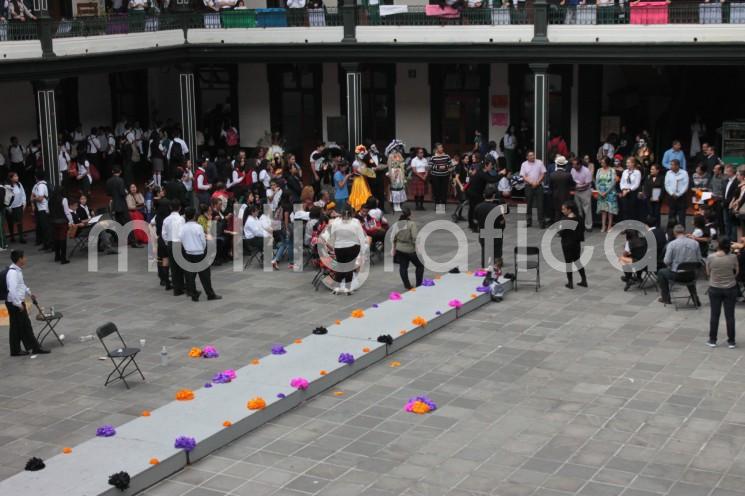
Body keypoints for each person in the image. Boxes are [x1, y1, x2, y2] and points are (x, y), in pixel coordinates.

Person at [5, 250, 49, 356]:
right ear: (19, 259)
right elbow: (12, 289)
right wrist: (18, 304)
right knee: (26, 326)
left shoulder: (17, 271)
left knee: (16, 327)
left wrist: (29, 293)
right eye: (24, 257)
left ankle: (15, 350)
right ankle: (35, 347)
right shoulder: (13, 273)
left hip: (15, 303)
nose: (25, 259)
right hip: (15, 304)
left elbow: (21, 285)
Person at [180, 207, 221, 302]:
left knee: (190, 275)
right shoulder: (198, 227)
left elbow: (181, 239)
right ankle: (210, 294)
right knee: (205, 276)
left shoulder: (183, 228)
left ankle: (193, 294)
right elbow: (203, 241)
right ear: (194, 216)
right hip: (199, 253)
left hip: (188, 253)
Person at [324, 206, 365, 295]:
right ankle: (348, 288)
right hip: (352, 247)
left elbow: (332, 236)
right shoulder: (356, 222)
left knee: (340, 267)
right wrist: (363, 250)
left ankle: (337, 288)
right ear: (351, 213)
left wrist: (332, 247)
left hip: (339, 247)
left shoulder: (335, 222)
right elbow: (361, 237)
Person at [657, 224, 702, 305]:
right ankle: (695, 299)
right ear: (684, 232)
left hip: (677, 275)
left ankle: (666, 298)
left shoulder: (672, 244)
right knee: (689, 270)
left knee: (661, 272)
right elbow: (699, 260)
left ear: (674, 233)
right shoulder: (695, 243)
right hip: (691, 275)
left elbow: (666, 261)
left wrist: (671, 265)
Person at [706, 237, 738, 348]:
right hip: (730, 288)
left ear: (718, 245)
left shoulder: (711, 257)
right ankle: (731, 341)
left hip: (715, 287)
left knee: (714, 314)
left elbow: (708, 272)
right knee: (730, 315)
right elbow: (736, 272)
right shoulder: (733, 257)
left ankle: (712, 339)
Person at [473, 184, 506, 271]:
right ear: (494, 195)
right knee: (497, 256)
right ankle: (497, 273)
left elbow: (475, 221)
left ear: (484, 195)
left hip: (484, 232)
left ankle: (485, 271)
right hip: (496, 233)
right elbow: (502, 221)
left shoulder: (478, 207)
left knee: (485, 253)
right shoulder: (497, 208)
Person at [392, 206, 424, 290]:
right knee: (420, 265)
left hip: (399, 248)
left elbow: (393, 237)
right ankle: (419, 284)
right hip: (410, 249)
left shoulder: (397, 224)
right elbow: (414, 238)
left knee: (403, 267)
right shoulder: (411, 224)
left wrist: (394, 248)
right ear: (409, 214)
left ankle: (407, 285)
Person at [557, 201, 587, 289]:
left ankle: (570, 282)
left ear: (569, 210)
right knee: (577, 261)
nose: (562, 211)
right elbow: (582, 229)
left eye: (564, 209)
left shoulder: (565, 220)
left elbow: (560, 232)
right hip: (576, 243)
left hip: (567, 244)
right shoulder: (579, 218)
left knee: (568, 263)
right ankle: (584, 280)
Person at [162, 200, 185, 296]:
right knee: (181, 266)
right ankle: (181, 286)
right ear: (179, 208)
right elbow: (182, 233)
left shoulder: (166, 219)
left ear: (170, 208)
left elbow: (164, 234)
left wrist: (168, 242)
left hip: (170, 243)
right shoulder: (181, 219)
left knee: (174, 267)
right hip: (179, 243)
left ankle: (177, 288)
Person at [151, 186, 172, 290]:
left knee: (161, 257)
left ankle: (163, 278)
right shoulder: (166, 213)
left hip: (158, 236)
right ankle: (165, 278)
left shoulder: (158, 210)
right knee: (165, 258)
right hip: (165, 237)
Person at [520, 151, 546, 228]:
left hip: (539, 185)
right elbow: (523, 176)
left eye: (533, 155)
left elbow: (543, 173)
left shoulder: (539, 162)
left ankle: (541, 222)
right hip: (529, 186)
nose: (532, 156)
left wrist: (537, 182)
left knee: (540, 204)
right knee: (529, 204)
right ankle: (529, 221)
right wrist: (532, 183)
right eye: (530, 155)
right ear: (527, 157)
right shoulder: (524, 164)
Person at [48, 187, 71, 265]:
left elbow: (48, 211)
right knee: (63, 239)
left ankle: (57, 256)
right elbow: (67, 212)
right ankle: (63, 258)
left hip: (53, 221)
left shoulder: (50, 200)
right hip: (62, 221)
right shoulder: (63, 199)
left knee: (56, 238)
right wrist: (70, 221)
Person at [664, 159, 689, 229]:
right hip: (671, 197)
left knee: (682, 217)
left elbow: (685, 186)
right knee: (671, 216)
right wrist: (672, 193)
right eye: (670, 165)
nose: (671, 166)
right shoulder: (668, 173)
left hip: (681, 197)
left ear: (677, 166)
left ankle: (682, 232)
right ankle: (670, 232)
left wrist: (678, 194)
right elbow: (666, 184)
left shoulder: (684, 173)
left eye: (672, 165)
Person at [595, 157, 618, 233]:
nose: (602, 164)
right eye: (601, 162)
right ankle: (603, 225)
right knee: (603, 210)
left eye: (603, 162)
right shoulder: (599, 170)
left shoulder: (612, 170)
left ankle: (609, 226)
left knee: (610, 210)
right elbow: (596, 182)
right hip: (601, 193)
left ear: (607, 163)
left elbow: (613, 182)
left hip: (610, 192)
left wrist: (606, 192)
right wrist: (599, 191)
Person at [571, 157, 593, 232]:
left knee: (587, 209)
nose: (574, 166)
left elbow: (587, 184)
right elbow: (572, 180)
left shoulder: (586, 171)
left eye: (575, 165)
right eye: (573, 165)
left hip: (585, 191)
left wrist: (579, 185)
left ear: (580, 165)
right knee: (578, 209)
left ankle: (588, 226)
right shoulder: (573, 170)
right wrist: (576, 186)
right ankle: (580, 225)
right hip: (576, 191)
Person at [30, 171, 51, 251]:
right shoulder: (40, 185)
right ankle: (46, 244)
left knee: (45, 228)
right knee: (43, 227)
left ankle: (48, 245)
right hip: (42, 209)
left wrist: (33, 199)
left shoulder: (41, 186)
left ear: (36, 177)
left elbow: (41, 198)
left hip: (43, 209)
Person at [549, 155, 573, 223]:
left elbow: (550, 187)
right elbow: (572, 185)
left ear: (556, 164)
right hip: (566, 196)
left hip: (555, 196)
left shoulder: (552, 175)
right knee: (566, 213)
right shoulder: (568, 175)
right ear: (565, 165)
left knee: (557, 213)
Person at [429, 143, 451, 214]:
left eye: (442, 147)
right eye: (440, 147)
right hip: (435, 176)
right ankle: (438, 208)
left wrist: (446, 167)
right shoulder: (433, 157)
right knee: (437, 191)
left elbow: (451, 165)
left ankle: (443, 207)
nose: (441, 148)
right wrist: (438, 167)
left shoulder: (447, 156)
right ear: (436, 149)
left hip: (445, 176)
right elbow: (429, 166)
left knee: (444, 191)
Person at [619, 157, 642, 222]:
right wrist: (623, 189)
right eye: (627, 163)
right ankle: (625, 227)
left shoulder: (637, 172)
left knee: (632, 210)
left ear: (633, 163)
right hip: (624, 192)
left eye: (629, 163)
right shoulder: (625, 172)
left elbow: (636, 184)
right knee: (624, 210)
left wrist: (628, 190)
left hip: (632, 192)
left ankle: (632, 228)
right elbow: (622, 182)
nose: (627, 164)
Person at [6, 171, 26, 244]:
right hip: (11, 207)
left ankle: (21, 237)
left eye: (17, 176)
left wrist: (24, 202)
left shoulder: (19, 184)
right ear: (11, 178)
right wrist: (8, 207)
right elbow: (7, 198)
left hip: (18, 206)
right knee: (10, 222)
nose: (17, 177)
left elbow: (23, 194)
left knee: (19, 222)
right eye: (15, 176)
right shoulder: (8, 186)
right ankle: (12, 236)